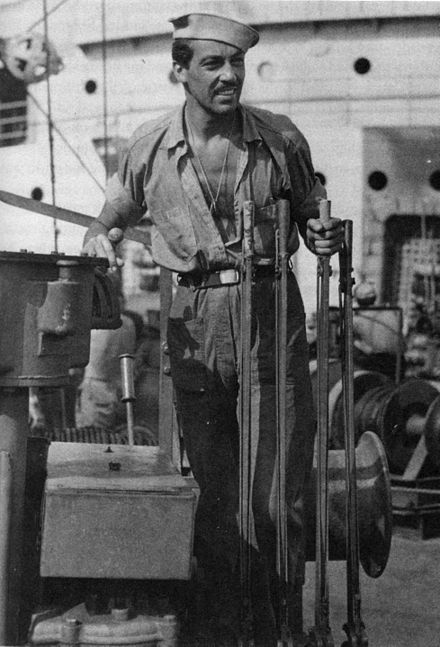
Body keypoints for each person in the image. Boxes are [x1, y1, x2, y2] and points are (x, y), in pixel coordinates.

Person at [82, 12, 343, 646]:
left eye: (236, 64)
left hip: (270, 317)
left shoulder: (280, 139)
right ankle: (219, 630)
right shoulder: (149, 144)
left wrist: (322, 235)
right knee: (212, 505)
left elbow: (312, 213)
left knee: (275, 504)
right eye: (212, 65)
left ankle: (279, 629)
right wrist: (100, 236)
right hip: (192, 325)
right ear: (180, 72)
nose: (229, 76)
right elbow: (114, 212)